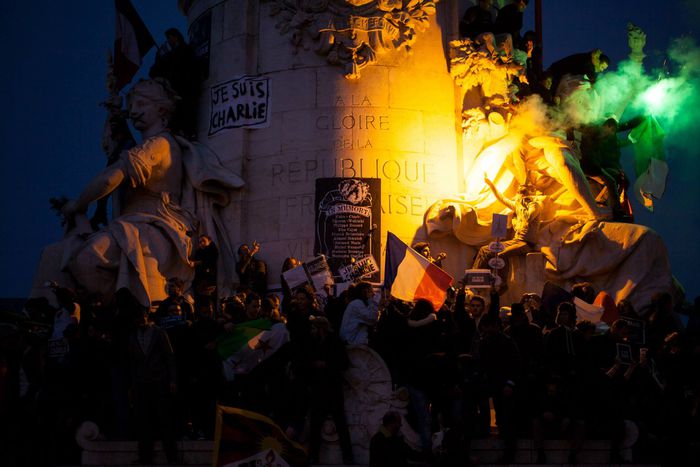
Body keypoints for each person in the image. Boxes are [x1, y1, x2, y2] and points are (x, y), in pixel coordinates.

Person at [58, 78, 243, 308]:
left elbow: (111, 177)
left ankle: (121, 313)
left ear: (162, 109)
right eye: (132, 105)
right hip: (136, 223)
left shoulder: (159, 144)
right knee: (59, 257)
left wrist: (79, 204)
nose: (134, 111)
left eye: (142, 104)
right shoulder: (150, 143)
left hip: (155, 225)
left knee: (88, 258)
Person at [472, 177, 543, 288]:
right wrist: (491, 185)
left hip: (526, 244)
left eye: (523, 192)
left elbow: (529, 217)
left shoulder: (535, 206)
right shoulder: (518, 205)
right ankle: (475, 279)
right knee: (484, 250)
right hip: (515, 241)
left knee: (501, 254)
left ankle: (503, 283)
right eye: (520, 191)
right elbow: (502, 198)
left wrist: (523, 204)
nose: (521, 194)